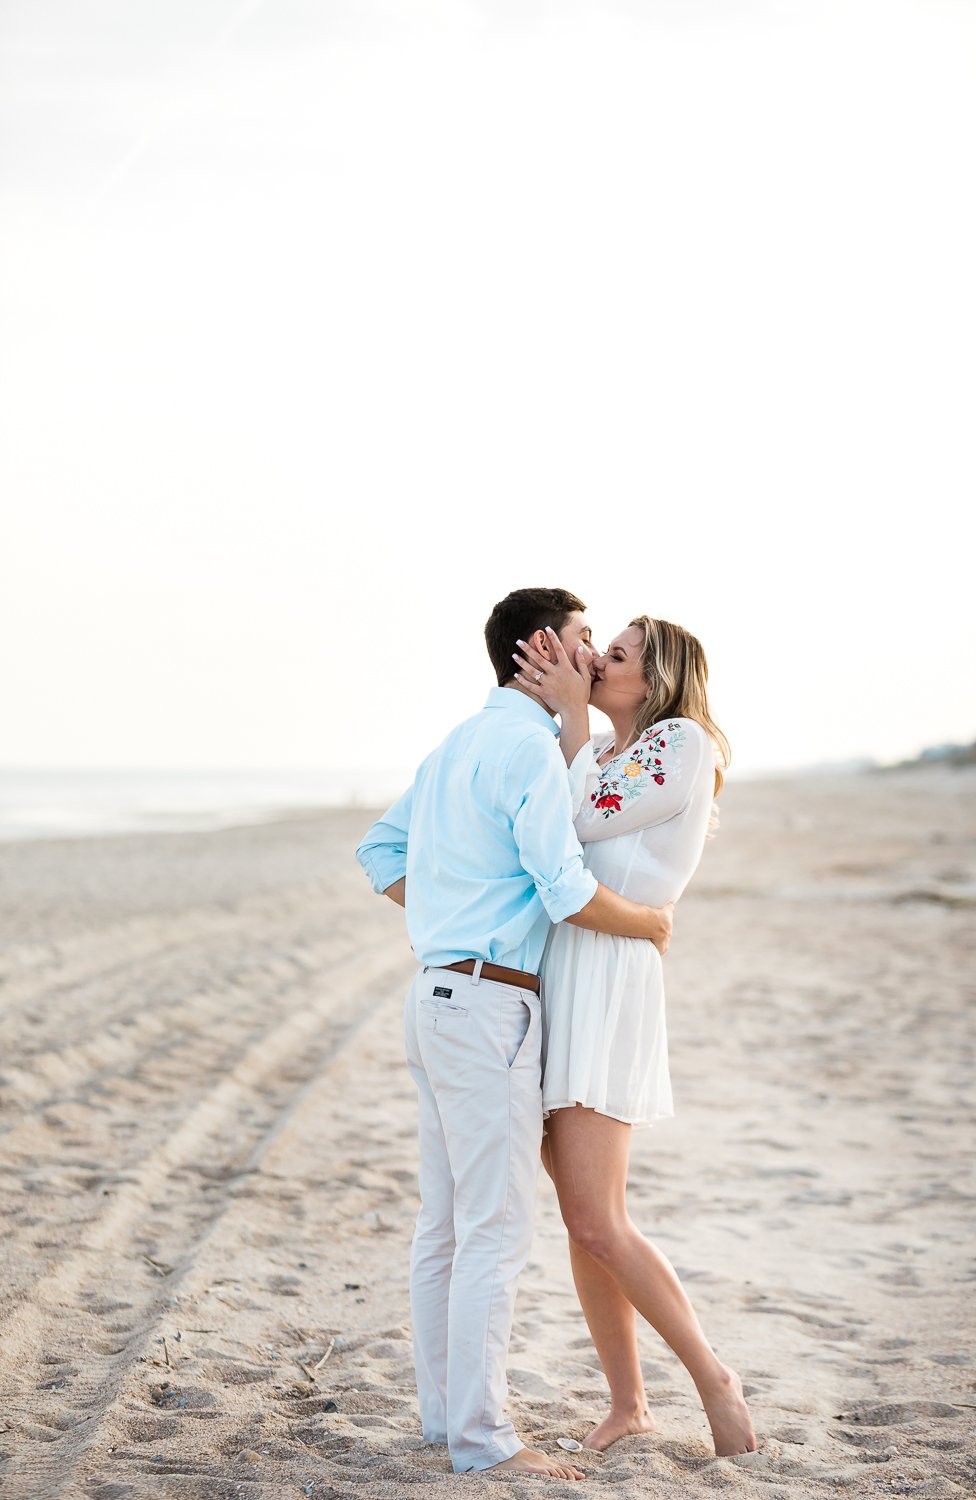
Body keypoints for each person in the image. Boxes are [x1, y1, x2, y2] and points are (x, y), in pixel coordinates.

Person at [355, 587, 677, 1480]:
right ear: (543, 647)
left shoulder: (458, 741)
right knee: (493, 1231)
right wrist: (651, 925)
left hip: (435, 997)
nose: (592, 655)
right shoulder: (531, 749)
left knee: (446, 1226)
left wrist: (449, 913)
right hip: (489, 1004)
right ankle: (485, 1440)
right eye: (584, 639)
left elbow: (379, 852)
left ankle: (443, 1421)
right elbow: (567, 889)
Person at [511, 616, 757, 1458]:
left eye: (614, 655)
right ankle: (629, 1402)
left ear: (653, 681)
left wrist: (572, 715)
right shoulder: (609, 749)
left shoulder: (680, 741)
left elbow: (571, 820)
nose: (595, 660)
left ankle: (713, 1380)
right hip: (565, 974)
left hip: (609, 980)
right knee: (584, 1218)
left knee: (597, 1217)